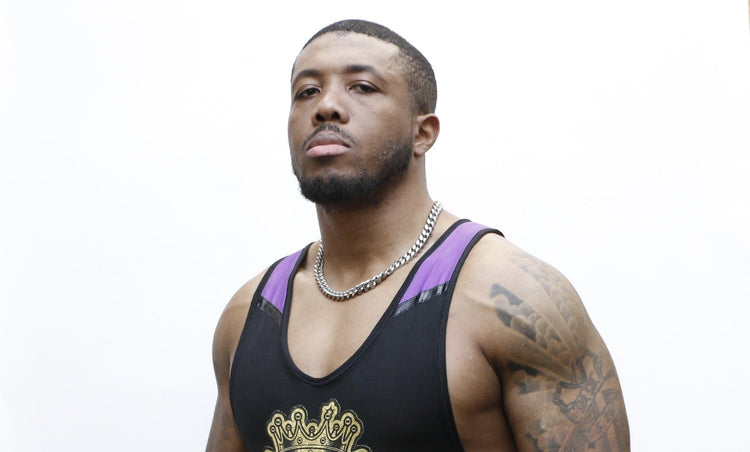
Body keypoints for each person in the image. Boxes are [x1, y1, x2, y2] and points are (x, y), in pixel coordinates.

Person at [206, 19, 630, 452]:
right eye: (306, 91)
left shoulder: (514, 301)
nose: (325, 106)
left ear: (423, 133)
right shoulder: (248, 316)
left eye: (362, 87)